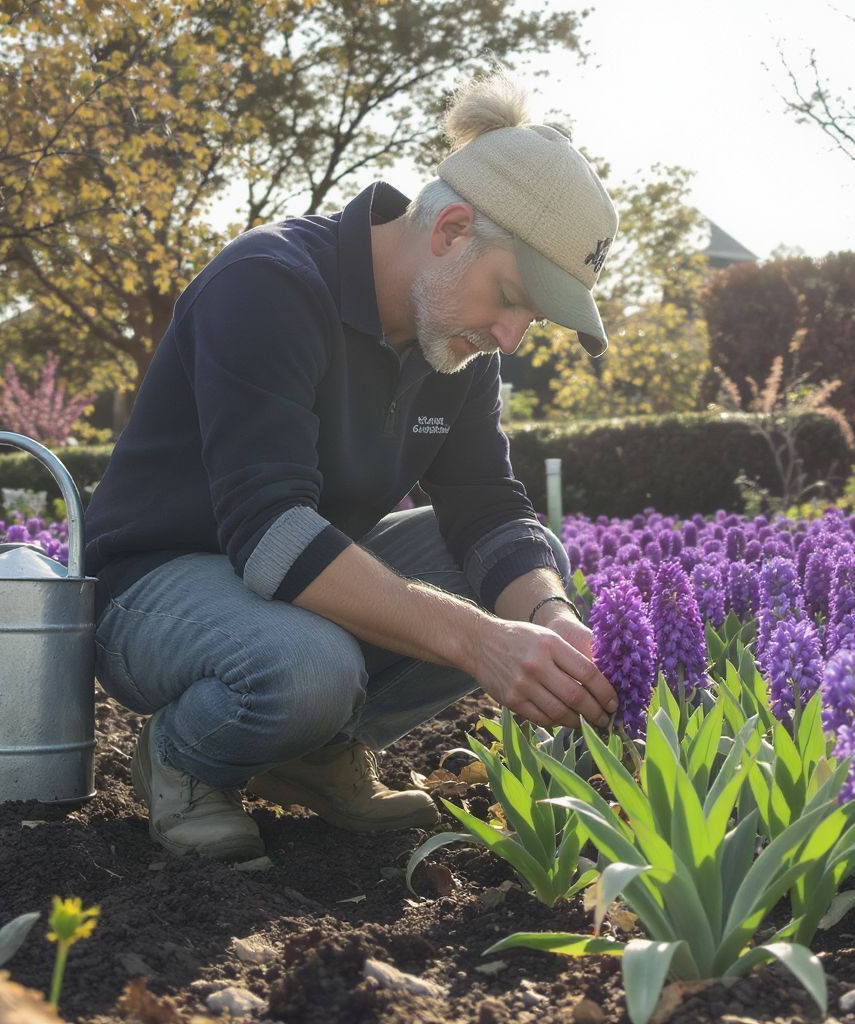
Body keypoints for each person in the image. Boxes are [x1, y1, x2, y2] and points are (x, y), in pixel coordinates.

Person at [85, 73, 620, 863]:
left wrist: (550, 622)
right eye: (510, 296)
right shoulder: (266, 284)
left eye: (530, 317)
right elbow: (269, 531)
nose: (511, 337)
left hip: (288, 585)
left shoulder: (455, 345)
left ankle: (309, 753)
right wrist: (481, 643)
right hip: (156, 587)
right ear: (451, 230)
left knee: (519, 566)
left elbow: (491, 509)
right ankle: (186, 758)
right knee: (307, 666)